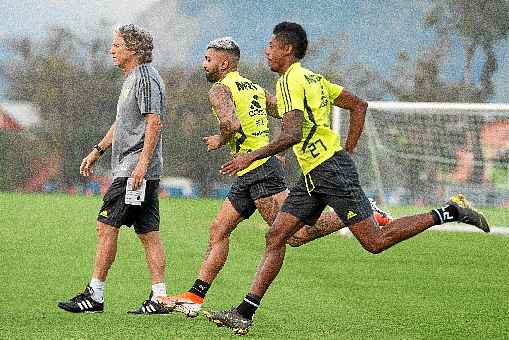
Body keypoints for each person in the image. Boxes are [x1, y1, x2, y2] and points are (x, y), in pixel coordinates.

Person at [205, 22, 490, 335]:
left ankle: (450, 211)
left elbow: (292, 133)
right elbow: (358, 105)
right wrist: (348, 152)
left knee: (375, 242)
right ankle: (244, 313)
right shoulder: (313, 78)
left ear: (287, 50)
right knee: (277, 236)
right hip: (317, 172)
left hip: (329, 171)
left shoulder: (291, 81)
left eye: (271, 46)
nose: (267, 52)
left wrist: (251, 155)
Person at [156, 37, 393, 317]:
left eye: (208, 60)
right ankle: (195, 296)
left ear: (224, 63)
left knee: (295, 236)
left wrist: (221, 138)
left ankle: (363, 210)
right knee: (219, 229)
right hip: (250, 172)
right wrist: (280, 150)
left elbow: (231, 123)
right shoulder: (254, 88)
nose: (204, 65)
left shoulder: (220, 90)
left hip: (259, 172)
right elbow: (287, 114)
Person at [58, 24, 171, 314]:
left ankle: (94, 295)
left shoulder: (145, 78)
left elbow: (154, 122)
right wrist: (97, 150)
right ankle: (159, 297)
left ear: (132, 50)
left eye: (117, 45)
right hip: (134, 168)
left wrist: (141, 167)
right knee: (148, 233)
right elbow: (123, 123)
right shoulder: (132, 78)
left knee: (106, 226)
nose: (112, 50)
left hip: (134, 169)